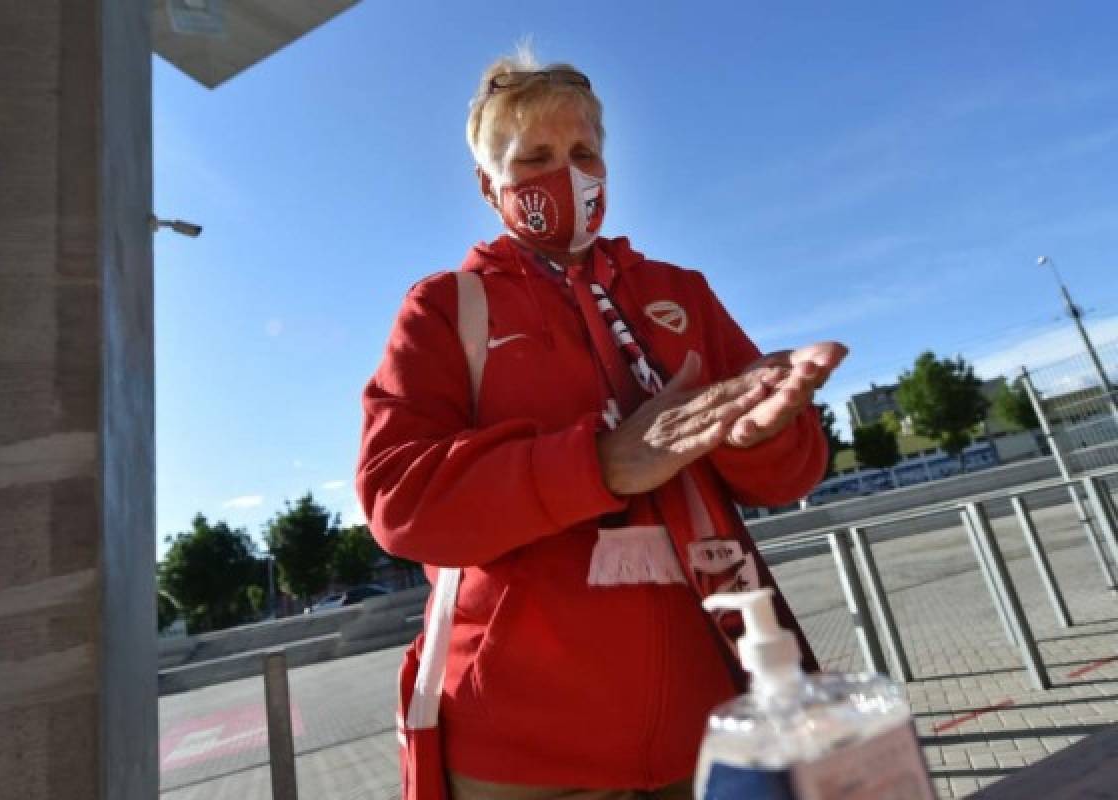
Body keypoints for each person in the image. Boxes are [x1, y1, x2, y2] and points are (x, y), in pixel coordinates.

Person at [356, 49, 847, 800]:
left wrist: (763, 436)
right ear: (490, 185)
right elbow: (397, 499)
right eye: (537, 156)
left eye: (583, 152)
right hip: (521, 758)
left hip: (716, 728)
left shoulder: (679, 291)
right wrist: (600, 464)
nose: (568, 172)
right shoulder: (445, 310)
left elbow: (789, 475)